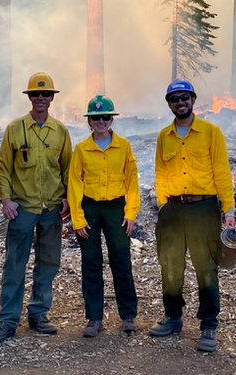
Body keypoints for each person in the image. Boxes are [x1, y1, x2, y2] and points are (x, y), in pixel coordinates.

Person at [0, 72, 73, 343]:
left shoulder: (60, 131)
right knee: (15, 263)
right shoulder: (15, 129)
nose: (41, 99)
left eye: (46, 94)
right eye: (36, 94)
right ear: (29, 97)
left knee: (48, 263)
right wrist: (5, 199)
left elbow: (68, 166)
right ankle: (7, 320)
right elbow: (4, 167)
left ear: (52, 97)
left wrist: (69, 197)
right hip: (23, 207)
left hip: (52, 208)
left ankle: (39, 313)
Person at [150, 79, 235, 352]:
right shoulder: (164, 136)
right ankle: (173, 318)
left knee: (205, 268)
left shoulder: (211, 132)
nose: (180, 103)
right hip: (173, 209)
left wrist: (229, 211)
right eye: (174, 99)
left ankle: (208, 326)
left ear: (193, 100)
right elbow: (160, 172)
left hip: (203, 208)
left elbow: (222, 173)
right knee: (171, 266)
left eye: (184, 97)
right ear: (169, 104)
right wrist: (163, 203)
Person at [67, 95, 140, 337]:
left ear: (112, 119)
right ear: (89, 121)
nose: (101, 121)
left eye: (105, 117)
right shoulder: (81, 149)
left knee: (121, 258)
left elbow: (132, 182)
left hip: (115, 207)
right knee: (91, 261)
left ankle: (128, 314)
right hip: (90, 207)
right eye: (96, 117)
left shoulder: (124, 146)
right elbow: (75, 185)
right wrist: (77, 218)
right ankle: (94, 318)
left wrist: (131, 212)